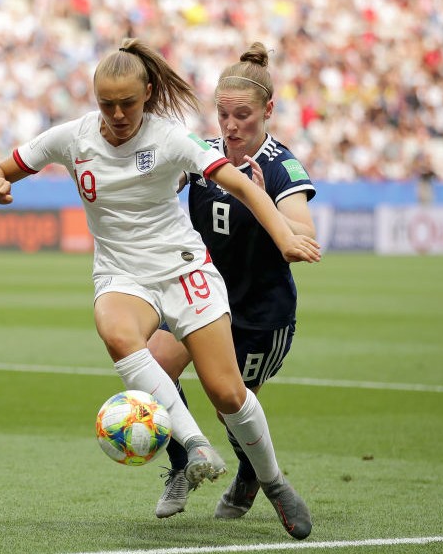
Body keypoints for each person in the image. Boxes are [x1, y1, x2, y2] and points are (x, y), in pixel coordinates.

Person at [0, 38, 317, 540]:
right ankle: (195, 447)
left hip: (184, 270)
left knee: (227, 392)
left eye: (128, 103)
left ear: (149, 94)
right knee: (118, 336)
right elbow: (3, 167)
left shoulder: (172, 139)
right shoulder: (70, 139)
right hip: (121, 274)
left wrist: (287, 236)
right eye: (106, 104)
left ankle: (273, 482)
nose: (116, 114)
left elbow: (243, 185)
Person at [147, 42, 317, 526]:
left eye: (242, 115)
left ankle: (250, 475)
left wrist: (265, 205)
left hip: (260, 311)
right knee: (156, 365)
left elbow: (303, 235)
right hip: (201, 294)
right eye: (223, 114)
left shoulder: (280, 166)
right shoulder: (203, 154)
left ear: (268, 110)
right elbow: (161, 183)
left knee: (231, 410)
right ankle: (181, 469)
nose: (230, 126)